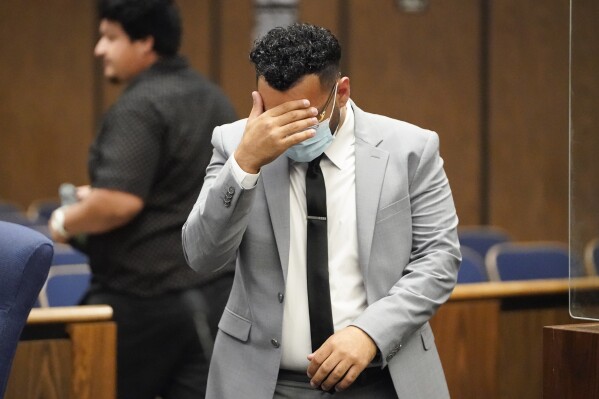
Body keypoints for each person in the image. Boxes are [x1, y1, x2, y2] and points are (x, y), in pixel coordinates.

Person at [182, 23, 461, 399]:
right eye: (272, 116)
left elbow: (438, 260)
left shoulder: (411, 149)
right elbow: (201, 255)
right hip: (264, 383)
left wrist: (369, 332)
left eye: (301, 118)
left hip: (382, 379)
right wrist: (246, 163)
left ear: (341, 93)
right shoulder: (234, 143)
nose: (285, 133)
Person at [48, 0, 237, 398]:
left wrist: (65, 221)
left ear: (145, 42)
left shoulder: (140, 105)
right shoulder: (211, 96)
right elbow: (178, 186)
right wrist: (99, 195)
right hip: (216, 296)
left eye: (111, 37)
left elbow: (119, 203)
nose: (100, 49)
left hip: (143, 303)